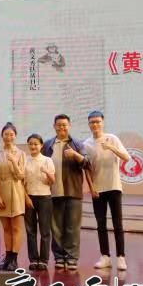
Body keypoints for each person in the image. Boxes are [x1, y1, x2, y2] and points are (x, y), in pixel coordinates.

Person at [43, 114, 94, 271]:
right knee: (56, 227)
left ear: (69, 126)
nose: (62, 128)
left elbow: (88, 164)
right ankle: (59, 257)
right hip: (53, 192)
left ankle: (72, 258)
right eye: (59, 125)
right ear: (54, 126)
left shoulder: (77, 144)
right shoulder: (48, 145)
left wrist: (75, 155)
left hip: (73, 191)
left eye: (64, 125)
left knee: (72, 227)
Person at [83, 111, 131, 271]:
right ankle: (105, 257)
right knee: (101, 224)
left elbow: (126, 157)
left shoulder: (112, 138)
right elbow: (87, 169)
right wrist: (92, 187)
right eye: (92, 122)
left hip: (114, 186)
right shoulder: (86, 144)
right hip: (98, 189)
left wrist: (111, 147)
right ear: (89, 124)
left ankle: (121, 257)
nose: (95, 125)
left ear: (103, 122)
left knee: (118, 223)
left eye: (97, 121)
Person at [0, 123, 27, 271]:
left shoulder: (21, 154)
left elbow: (21, 176)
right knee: (6, 228)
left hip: (16, 191)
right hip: (2, 192)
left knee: (16, 228)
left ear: (15, 136)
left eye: (11, 134)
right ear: (2, 136)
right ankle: (7, 258)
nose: (9, 137)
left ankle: (14, 260)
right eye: (6, 134)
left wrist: (13, 162)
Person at [23, 133, 55, 271]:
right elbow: (21, 182)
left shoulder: (47, 160)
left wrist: (47, 172)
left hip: (44, 198)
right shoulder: (25, 160)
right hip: (29, 197)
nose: (33, 146)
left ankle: (44, 260)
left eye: (36, 144)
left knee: (45, 230)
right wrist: (26, 198)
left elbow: (52, 181)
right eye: (30, 144)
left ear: (41, 145)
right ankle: (33, 259)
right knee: (30, 230)